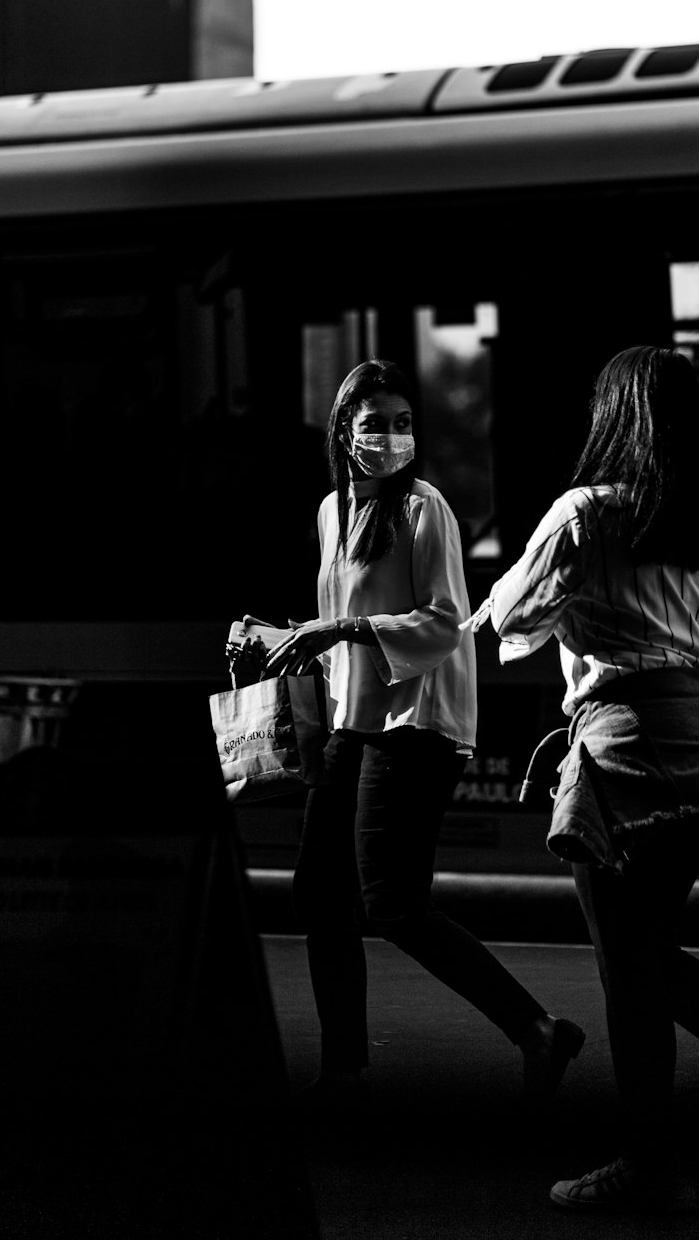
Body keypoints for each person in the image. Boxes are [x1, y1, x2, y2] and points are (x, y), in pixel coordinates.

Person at [471, 345, 699, 1212]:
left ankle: (653, 1161)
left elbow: (512, 614)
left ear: (613, 419)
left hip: (625, 749)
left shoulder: (587, 514)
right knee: (649, 954)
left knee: (626, 968)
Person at [264, 359, 584, 1107]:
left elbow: (445, 622)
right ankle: (344, 1068)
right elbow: (340, 627)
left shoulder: (424, 508)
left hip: (416, 723)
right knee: (318, 892)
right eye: (378, 423)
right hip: (356, 717)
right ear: (344, 430)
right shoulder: (331, 510)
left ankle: (537, 1029)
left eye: (405, 423)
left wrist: (337, 627)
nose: (393, 436)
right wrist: (283, 639)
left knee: (392, 901)